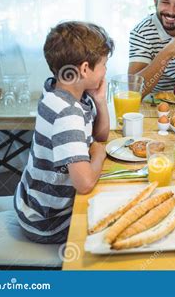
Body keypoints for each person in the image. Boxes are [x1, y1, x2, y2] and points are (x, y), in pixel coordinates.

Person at [14, 21, 113, 243]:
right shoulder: (67, 113)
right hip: (48, 221)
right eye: (104, 65)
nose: (106, 70)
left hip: (30, 202)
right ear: (85, 69)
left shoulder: (59, 89)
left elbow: (100, 136)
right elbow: (85, 183)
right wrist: (99, 155)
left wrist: (100, 100)